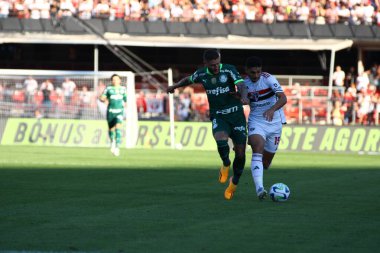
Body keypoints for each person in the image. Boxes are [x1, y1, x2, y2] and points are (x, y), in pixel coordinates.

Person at [166, 49, 249, 200]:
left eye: (217, 64)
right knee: (220, 140)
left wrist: (244, 97)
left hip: (236, 115)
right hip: (219, 115)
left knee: (241, 153)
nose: (216, 67)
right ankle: (225, 163)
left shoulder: (229, 69)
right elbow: (188, 80)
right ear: (205, 64)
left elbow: (242, 85)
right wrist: (174, 86)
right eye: (212, 65)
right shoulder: (202, 74)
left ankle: (234, 183)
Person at [244, 56, 287, 200]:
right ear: (247, 71)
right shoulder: (244, 84)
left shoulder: (269, 79)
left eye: (257, 72)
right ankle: (260, 189)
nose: (255, 75)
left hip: (274, 123)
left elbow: (283, 98)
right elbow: (242, 99)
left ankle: (258, 172)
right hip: (256, 120)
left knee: (266, 163)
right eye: (252, 73)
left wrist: (272, 109)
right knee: (258, 147)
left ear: (261, 71)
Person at [99, 74, 127, 157]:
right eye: (113, 79)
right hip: (111, 111)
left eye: (117, 79)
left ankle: (117, 147)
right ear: (112, 81)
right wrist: (102, 99)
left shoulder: (123, 89)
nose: (115, 81)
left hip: (120, 111)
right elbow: (102, 97)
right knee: (111, 129)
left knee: (118, 128)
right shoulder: (108, 89)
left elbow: (126, 99)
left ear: (120, 80)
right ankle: (112, 142)